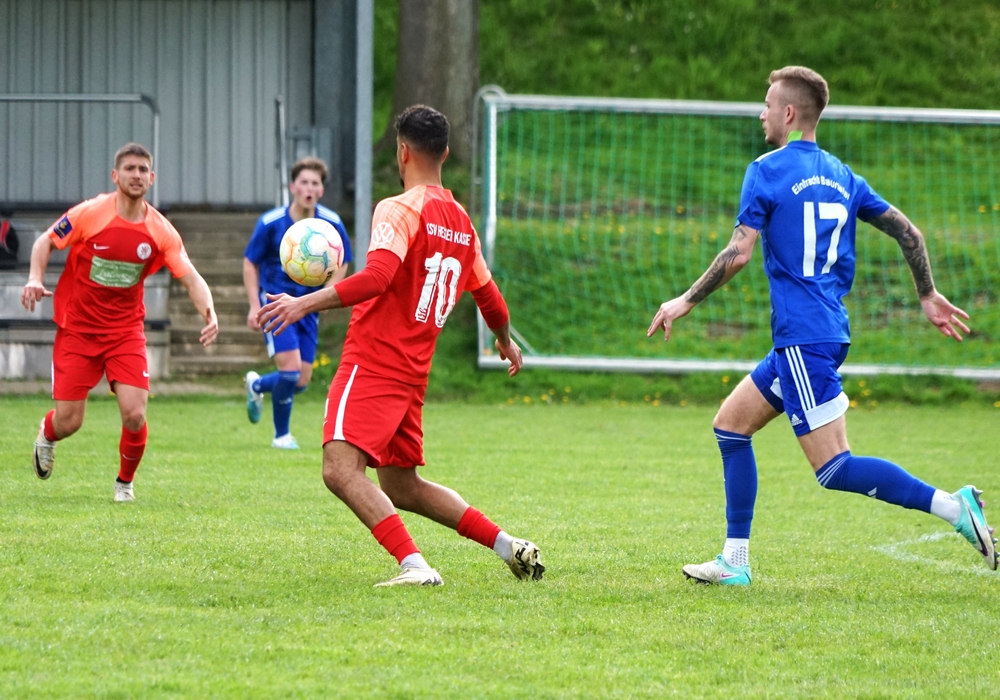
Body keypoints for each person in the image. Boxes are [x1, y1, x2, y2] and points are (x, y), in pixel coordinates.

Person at [648, 66, 997, 585]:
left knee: (834, 468)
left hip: (803, 338)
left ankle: (954, 507)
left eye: (768, 105)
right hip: (821, 333)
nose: (762, 114)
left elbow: (738, 253)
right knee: (731, 426)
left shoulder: (766, 170)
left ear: (788, 113)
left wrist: (685, 300)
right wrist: (927, 294)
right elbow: (910, 233)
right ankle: (734, 561)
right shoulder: (843, 175)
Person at [258, 105, 545, 587]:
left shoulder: (398, 208)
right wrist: (503, 339)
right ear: (445, 154)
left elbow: (377, 278)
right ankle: (508, 545)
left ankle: (414, 565)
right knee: (402, 485)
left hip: (373, 363)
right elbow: (490, 298)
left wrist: (303, 303)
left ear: (403, 152)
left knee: (339, 470)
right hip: (413, 373)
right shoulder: (462, 223)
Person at [22, 142, 218, 502]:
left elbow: (190, 277)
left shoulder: (161, 231)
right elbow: (44, 242)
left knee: (134, 414)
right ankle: (47, 434)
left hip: (125, 332)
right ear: (115, 175)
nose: (136, 175)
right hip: (77, 329)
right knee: (70, 421)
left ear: (152, 178)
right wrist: (35, 278)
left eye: (143, 170)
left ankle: (124, 484)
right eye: (129, 168)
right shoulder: (90, 213)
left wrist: (209, 311)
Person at [243, 157, 353, 449]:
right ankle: (281, 436)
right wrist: (254, 305)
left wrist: (328, 291)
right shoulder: (271, 222)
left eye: (315, 183)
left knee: (301, 380)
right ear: (292, 187)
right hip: (276, 304)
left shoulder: (331, 224)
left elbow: (343, 260)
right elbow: (250, 262)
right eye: (303, 182)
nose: (309, 188)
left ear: (321, 190)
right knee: (290, 371)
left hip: (308, 306)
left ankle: (257, 385)